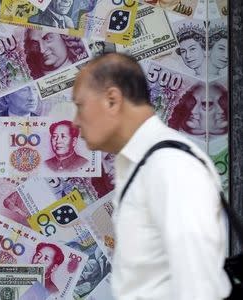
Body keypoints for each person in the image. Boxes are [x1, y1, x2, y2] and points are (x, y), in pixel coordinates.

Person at [72, 53, 230, 299]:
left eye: (80, 106)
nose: (76, 122)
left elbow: (199, 288)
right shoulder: (138, 164)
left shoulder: (170, 168)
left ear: (112, 100)